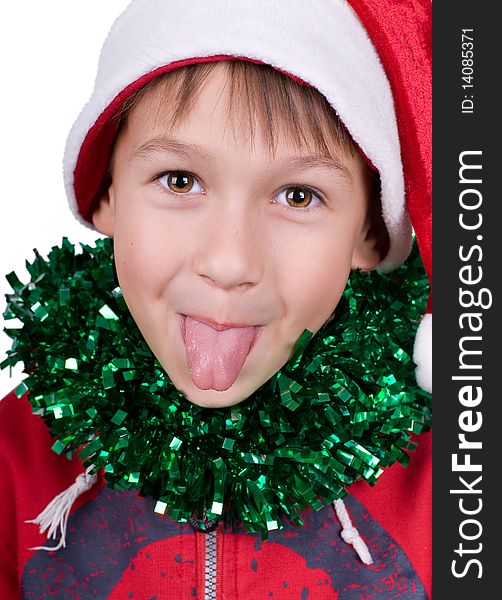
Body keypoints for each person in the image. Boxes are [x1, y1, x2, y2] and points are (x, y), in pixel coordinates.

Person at [0, 0, 432, 597]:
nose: (229, 263)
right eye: (180, 181)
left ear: (368, 232)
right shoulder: (13, 463)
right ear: (106, 194)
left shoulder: (455, 480)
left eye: (299, 196)